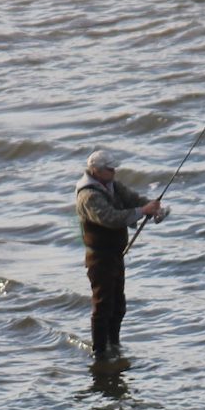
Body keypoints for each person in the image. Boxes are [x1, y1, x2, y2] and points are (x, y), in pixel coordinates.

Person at [74, 148, 165, 359]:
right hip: (99, 257)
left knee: (118, 305)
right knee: (103, 305)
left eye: (114, 168)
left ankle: (114, 345)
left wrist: (151, 206)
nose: (114, 172)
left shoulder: (111, 185)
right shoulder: (88, 195)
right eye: (109, 169)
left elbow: (132, 198)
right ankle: (100, 352)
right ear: (95, 170)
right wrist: (142, 212)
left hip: (115, 254)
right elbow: (110, 218)